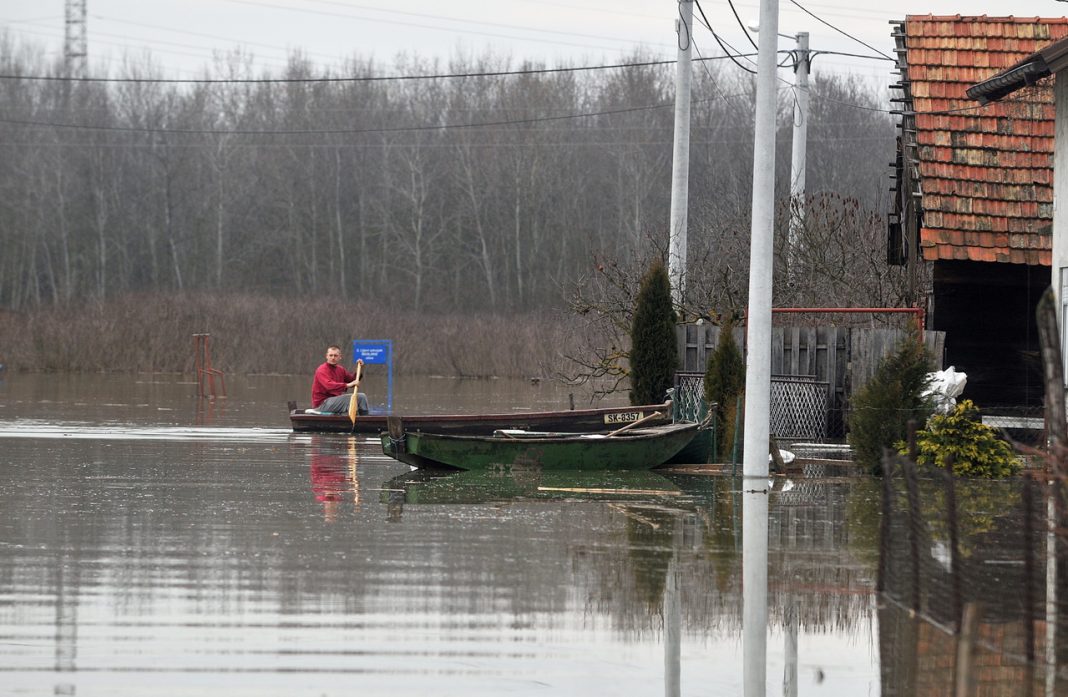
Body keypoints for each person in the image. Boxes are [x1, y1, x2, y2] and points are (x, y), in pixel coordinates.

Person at [310, 345, 370, 415]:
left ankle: (364, 418)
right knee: (351, 399)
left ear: (340, 357)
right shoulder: (322, 370)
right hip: (322, 404)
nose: (333, 358)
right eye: (331, 355)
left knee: (362, 397)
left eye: (335, 356)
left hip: (334, 401)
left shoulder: (340, 369)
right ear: (327, 356)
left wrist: (361, 368)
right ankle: (354, 421)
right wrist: (348, 385)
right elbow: (329, 386)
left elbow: (353, 380)